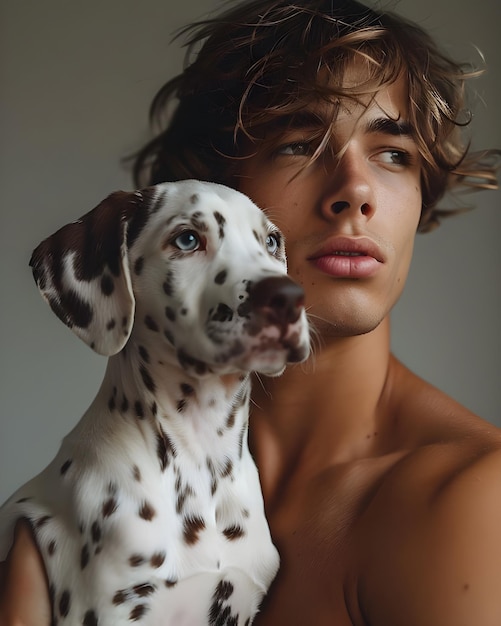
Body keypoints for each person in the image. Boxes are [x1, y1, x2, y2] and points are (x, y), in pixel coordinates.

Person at [1, 0, 500, 623]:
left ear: (423, 195)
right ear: (215, 189)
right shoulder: (80, 507)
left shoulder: (471, 502)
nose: (355, 191)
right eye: (299, 143)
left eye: (393, 154)